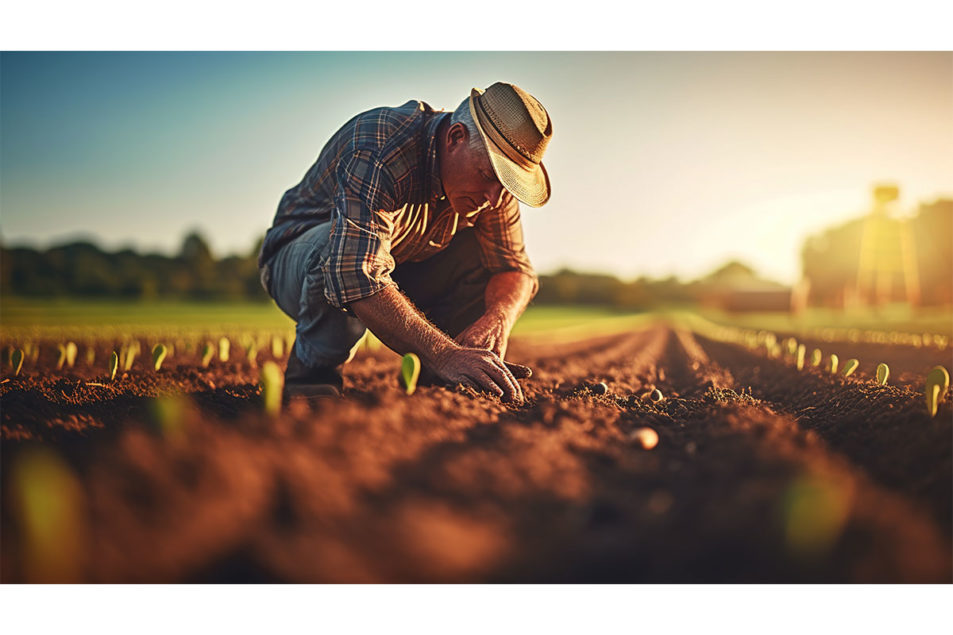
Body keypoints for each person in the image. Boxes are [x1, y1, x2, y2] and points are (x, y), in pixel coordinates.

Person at [258, 82, 553, 403]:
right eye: (488, 175)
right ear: (456, 137)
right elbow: (356, 272)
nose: (494, 200)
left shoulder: (493, 192)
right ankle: (313, 383)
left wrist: (498, 318)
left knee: (481, 262)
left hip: (395, 266)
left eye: (506, 186)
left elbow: (515, 269)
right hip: (296, 264)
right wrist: (443, 353)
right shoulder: (381, 146)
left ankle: (447, 386)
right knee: (338, 248)